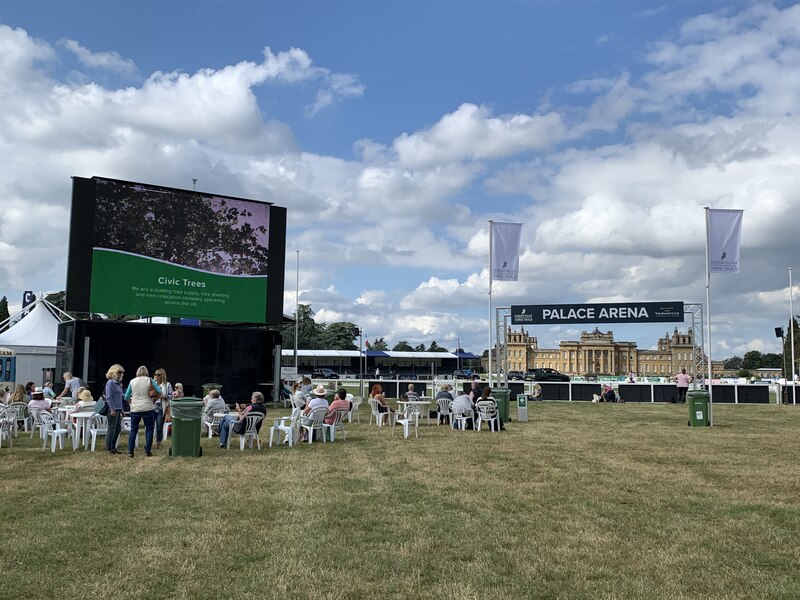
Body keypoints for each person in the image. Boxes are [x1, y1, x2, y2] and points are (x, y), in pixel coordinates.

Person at [124, 366, 161, 457]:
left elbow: (126, 397)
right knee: (149, 429)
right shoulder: (150, 380)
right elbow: (159, 391)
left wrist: (131, 402)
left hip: (135, 408)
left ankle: (130, 451)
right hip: (148, 407)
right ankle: (148, 450)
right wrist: (154, 400)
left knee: (133, 430)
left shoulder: (132, 381)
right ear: (146, 372)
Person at [104, 364, 125, 454]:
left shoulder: (118, 384)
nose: (121, 374)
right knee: (111, 429)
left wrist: (122, 409)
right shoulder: (111, 383)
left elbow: (119, 398)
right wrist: (112, 409)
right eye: (119, 372)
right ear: (113, 372)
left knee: (117, 429)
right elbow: (108, 396)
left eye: (122, 372)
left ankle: (113, 447)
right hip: (112, 409)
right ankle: (109, 449)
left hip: (118, 409)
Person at [153, 368, 173, 450]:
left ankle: (158, 442)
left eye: (158, 375)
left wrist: (163, 396)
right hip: (152, 406)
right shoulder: (153, 384)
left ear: (162, 376)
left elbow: (171, 396)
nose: (156, 376)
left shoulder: (167, 385)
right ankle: (149, 442)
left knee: (159, 426)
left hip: (161, 407)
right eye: (155, 374)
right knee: (150, 426)